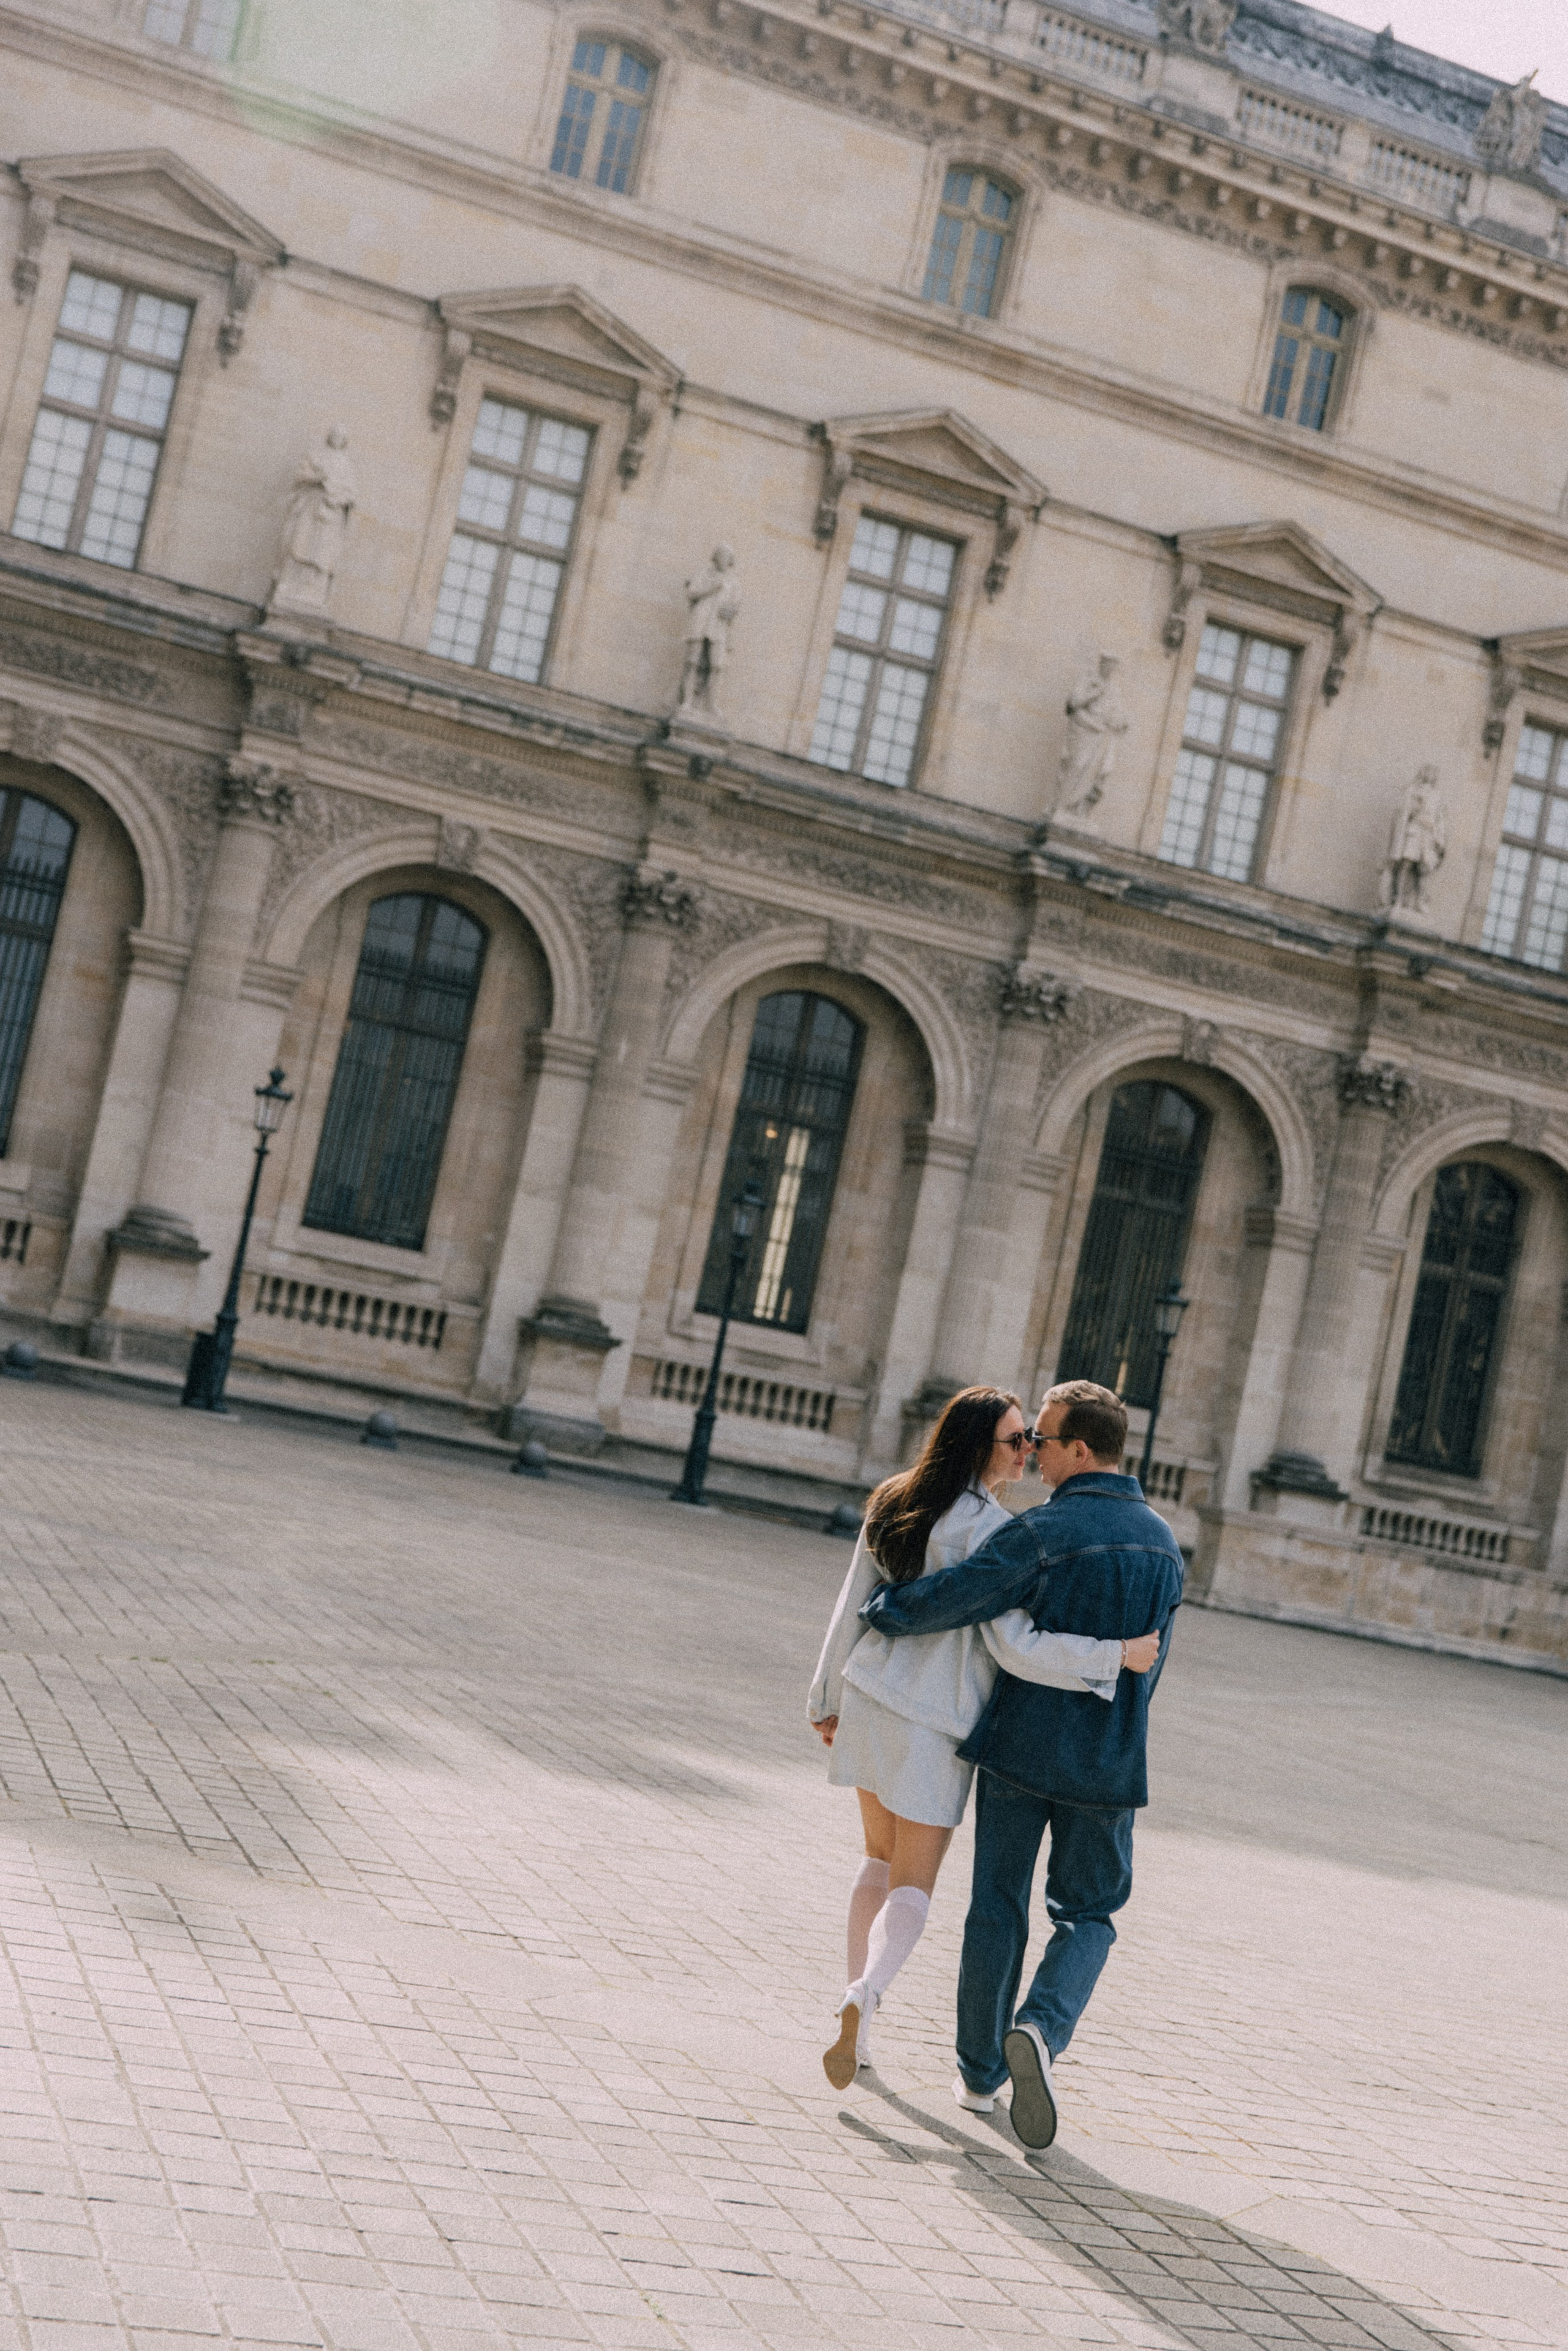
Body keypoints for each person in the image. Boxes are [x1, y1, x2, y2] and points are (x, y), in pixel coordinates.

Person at [809, 1386, 1159, 2091]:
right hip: (937, 1722)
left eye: (1034, 1438)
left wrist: (824, 1697)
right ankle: (865, 1994)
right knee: (912, 1885)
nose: (1028, 1449)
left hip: (870, 1697)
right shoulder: (994, 1529)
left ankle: (859, 2019)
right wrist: (1111, 1656)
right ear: (978, 1446)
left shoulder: (893, 1499)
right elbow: (1014, 1647)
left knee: (875, 1861)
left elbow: (851, 1601)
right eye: (1016, 1439)